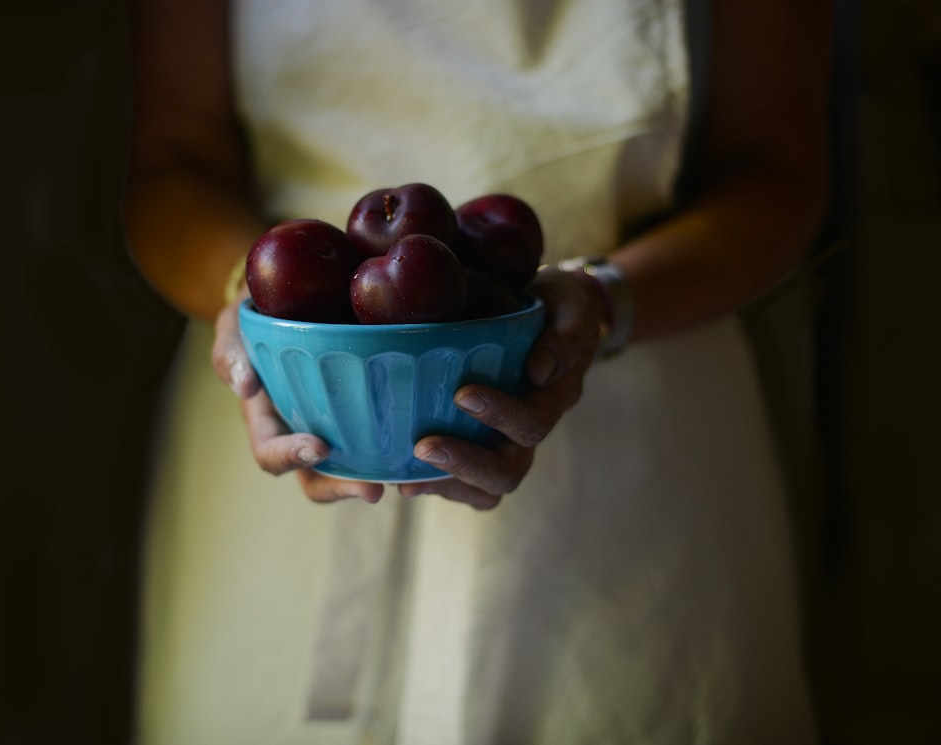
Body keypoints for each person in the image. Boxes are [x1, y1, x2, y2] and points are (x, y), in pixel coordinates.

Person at [125, 0, 832, 742]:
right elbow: (171, 160)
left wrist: (604, 298)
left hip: (631, 459)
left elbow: (777, 169)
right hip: (293, 416)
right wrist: (249, 300)